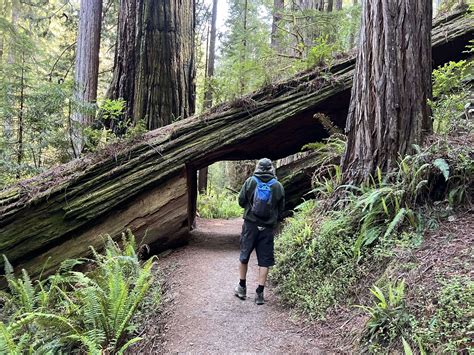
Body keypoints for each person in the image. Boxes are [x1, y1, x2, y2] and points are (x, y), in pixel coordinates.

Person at [234, 158, 285, 305]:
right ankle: (260, 293)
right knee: (264, 260)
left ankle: (242, 288)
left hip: (250, 226)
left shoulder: (250, 182)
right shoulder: (277, 186)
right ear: (271, 169)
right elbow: (280, 209)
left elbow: (241, 201)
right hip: (267, 229)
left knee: (244, 255)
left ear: (258, 168)